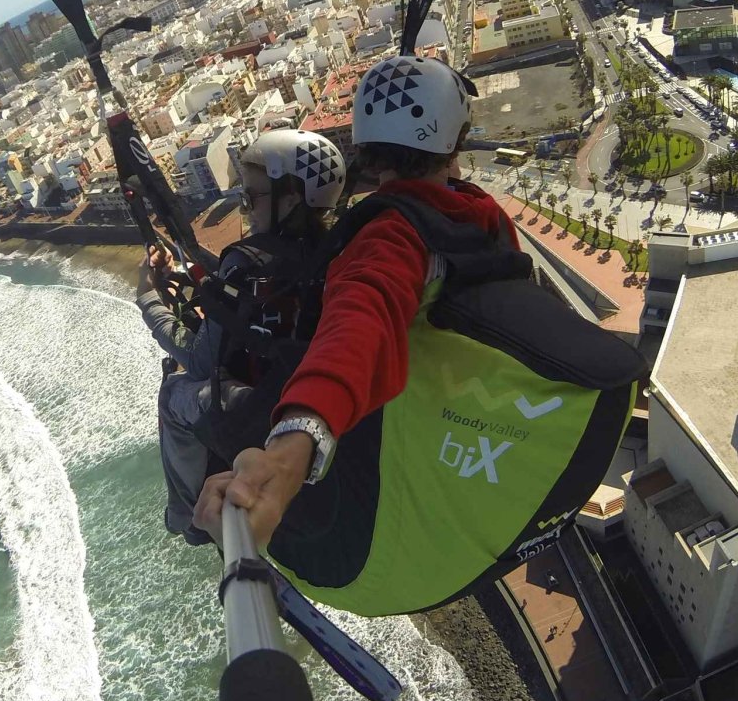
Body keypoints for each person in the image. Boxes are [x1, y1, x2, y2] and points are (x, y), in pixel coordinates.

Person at [192, 54, 522, 548]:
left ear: (367, 147)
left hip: (396, 428)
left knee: (184, 394)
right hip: (468, 416)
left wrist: (290, 450)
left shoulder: (387, 236)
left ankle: (185, 521)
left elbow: (358, 320)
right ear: (454, 140)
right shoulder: (481, 213)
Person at [137, 129, 345, 544]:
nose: (246, 209)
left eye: (251, 198)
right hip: (312, 389)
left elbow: (199, 361)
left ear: (289, 198)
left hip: (266, 400)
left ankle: (185, 518)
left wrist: (147, 297)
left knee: (175, 392)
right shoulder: (336, 247)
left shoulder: (247, 266)